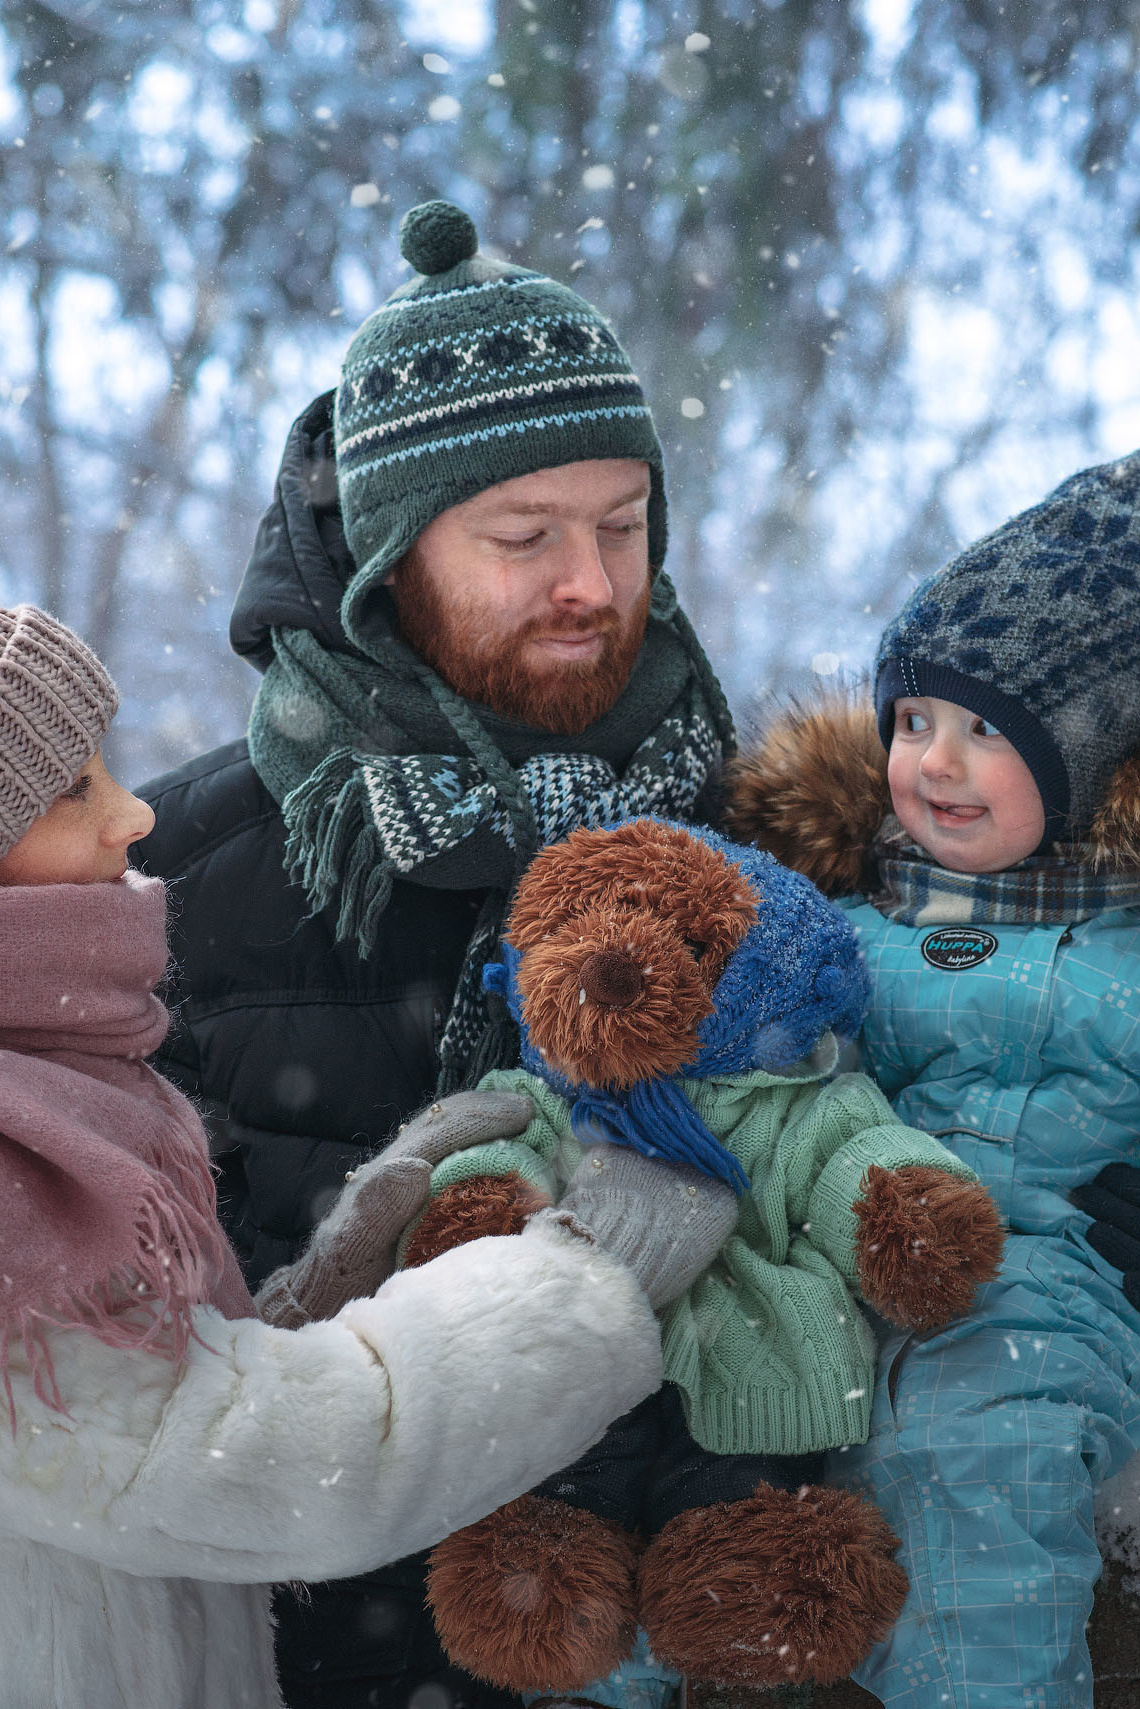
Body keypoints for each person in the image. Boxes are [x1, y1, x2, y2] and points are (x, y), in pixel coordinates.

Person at [134, 199, 737, 1709]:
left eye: (621, 523)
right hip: (326, 1646)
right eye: (524, 537)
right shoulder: (179, 869)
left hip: (684, 1633)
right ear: (389, 559)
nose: (592, 582)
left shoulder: (747, 834)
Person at [0, 603, 713, 1709]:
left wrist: (317, 1292)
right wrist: (582, 1277)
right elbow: (237, 1462)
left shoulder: (55, 1078)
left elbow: (114, 1430)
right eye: (67, 791)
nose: (131, 814)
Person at [724, 450, 1140, 1708]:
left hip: (1049, 1283)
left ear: (1088, 760)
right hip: (842, 1243)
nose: (936, 763)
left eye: (987, 732)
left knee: (980, 1445)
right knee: (700, 1402)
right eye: (915, 720)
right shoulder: (841, 914)